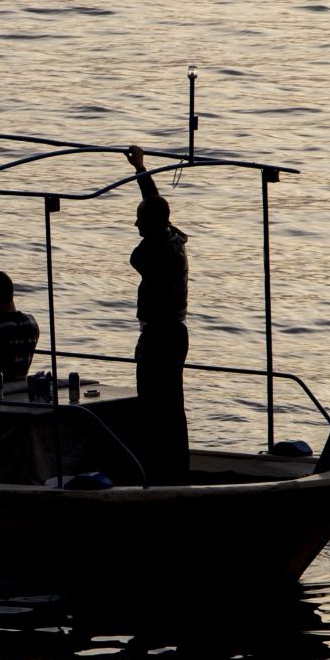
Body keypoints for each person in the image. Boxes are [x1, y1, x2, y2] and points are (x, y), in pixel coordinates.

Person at [125, 144, 190, 482]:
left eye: (139, 219)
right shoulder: (172, 237)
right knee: (172, 405)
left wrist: (148, 342)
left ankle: (158, 470)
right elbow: (155, 202)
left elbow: (160, 302)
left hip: (160, 332)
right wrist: (140, 168)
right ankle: (175, 464)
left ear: (151, 223)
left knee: (153, 405)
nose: (134, 223)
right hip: (176, 331)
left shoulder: (156, 254)